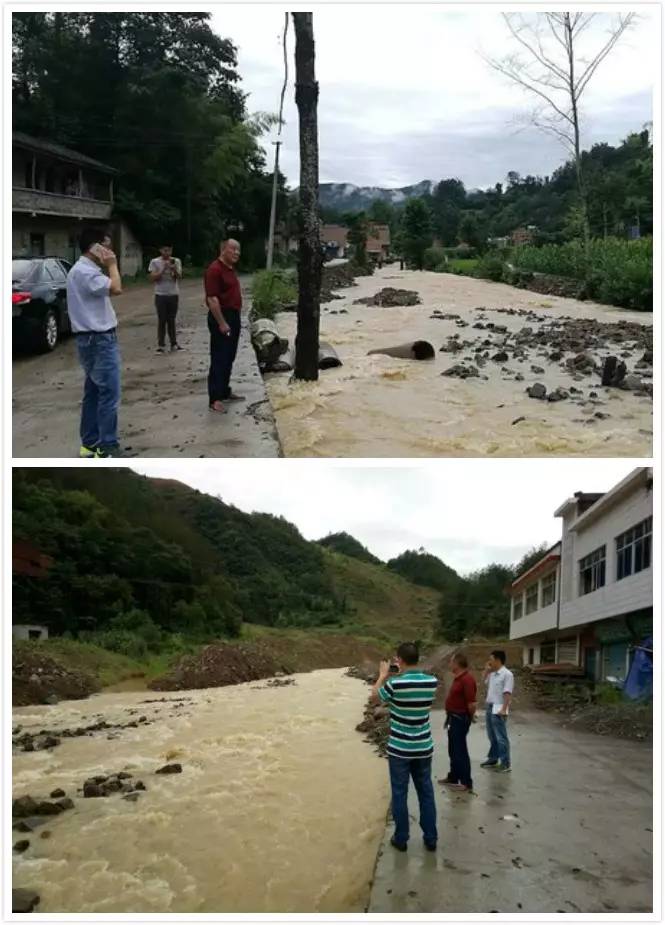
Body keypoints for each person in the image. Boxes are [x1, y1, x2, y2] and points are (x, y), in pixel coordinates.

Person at [371, 642, 438, 852]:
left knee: (400, 793)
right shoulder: (432, 681)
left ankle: (401, 838)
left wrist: (383, 675)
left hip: (400, 749)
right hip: (423, 747)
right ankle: (431, 838)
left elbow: (375, 697)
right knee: (426, 792)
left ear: (399, 660)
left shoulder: (395, 684)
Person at [66, 227, 123, 458]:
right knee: (109, 393)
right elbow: (116, 288)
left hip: (88, 339)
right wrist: (112, 265)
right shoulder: (87, 272)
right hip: (98, 339)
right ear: (95, 248)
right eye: (106, 246)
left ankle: (89, 443)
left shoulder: (80, 270)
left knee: (93, 393)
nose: (110, 250)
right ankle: (107, 446)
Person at [204, 239, 245, 412]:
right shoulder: (215, 270)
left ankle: (225, 390)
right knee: (220, 356)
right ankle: (215, 398)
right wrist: (222, 323)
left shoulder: (229, 269)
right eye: (233, 249)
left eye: (238, 249)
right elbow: (212, 299)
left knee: (230, 355)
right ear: (223, 250)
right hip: (223, 317)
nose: (236, 252)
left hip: (233, 317)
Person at [440, 652, 477, 792]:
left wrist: (470, 717)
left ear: (457, 663)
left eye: (451, 661)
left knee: (460, 750)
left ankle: (466, 782)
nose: (449, 664)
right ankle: (453, 776)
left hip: (460, 719)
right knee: (453, 749)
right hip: (453, 718)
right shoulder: (458, 678)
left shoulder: (467, 679)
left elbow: (472, 703)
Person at [481, 650, 514, 773]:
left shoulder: (507, 674)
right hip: (489, 706)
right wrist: (487, 670)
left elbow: (507, 693)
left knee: (501, 737)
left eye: (491, 659)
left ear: (498, 660)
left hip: (499, 707)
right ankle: (493, 758)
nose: (489, 661)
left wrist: (504, 709)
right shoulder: (492, 674)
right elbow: (483, 680)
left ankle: (505, 763)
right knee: (492, 735)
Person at [148, 245, 183, 353]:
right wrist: (163, 268)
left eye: (169, 250)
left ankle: (174, 343)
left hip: (173, 293)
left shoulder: (176, 261)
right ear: (160, 250)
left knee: (171, 319)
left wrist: (173, 269)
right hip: (160, 294)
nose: (167, 252)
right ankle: (161, 345)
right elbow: (152, 278)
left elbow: (179, 277)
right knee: (162, 319)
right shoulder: (155, 262)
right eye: (164, 250)